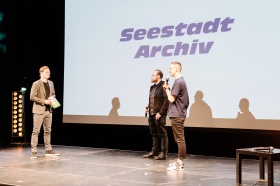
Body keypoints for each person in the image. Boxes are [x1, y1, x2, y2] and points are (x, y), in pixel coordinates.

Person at [163, 62, 189, 171]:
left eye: (171, 68)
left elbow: (171, 99)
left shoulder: (179, 82)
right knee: (179, 138)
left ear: (177, 69)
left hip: (177, 114)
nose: (169, 70)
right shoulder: (179, 81)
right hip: (177, 113)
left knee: (179, 139)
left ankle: (180, 163)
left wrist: (167, 89)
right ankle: (179, 162)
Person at [30, 66, 59, 159]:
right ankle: (34, 151)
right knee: (36, 131)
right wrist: (44, 101)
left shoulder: (51, 83)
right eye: (47, 72)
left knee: (48, 130)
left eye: (49, 72)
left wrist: (51, 98)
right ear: (41, 73)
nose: (49, 73)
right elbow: (32, 97)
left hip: (49, 110)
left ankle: (48, 150)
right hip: (39, 110)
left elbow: (53, 93)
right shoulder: (36, 84)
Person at [143, 69, 169, 160]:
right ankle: (154, 151)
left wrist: (160, 113)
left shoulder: (164, 86)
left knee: (162, 133)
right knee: (154, 133)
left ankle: (163, 153)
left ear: (158, 76)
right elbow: (152, 100)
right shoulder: (152, 87)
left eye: (153, 75)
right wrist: (148, 107)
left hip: (159, 114)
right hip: (152, 113)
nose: (151, 76)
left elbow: (166, 101)